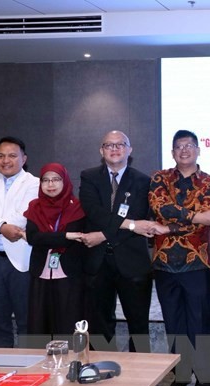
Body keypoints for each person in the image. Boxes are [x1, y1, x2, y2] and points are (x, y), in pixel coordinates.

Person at [149, 130, 210, 386]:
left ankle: (204, 373)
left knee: (200, 319)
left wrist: (168, 227)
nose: (184, 150)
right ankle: (181, 372)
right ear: (172, 152)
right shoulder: (159, 178)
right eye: (179, 147)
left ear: (198, 150)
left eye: (189, 146)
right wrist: (193, 217)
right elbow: (161, 209)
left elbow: (207, 218)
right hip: (163, 264)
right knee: (174, 320)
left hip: (197, 261)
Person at [79, 130, 158, 352]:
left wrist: (102, 235)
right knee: (100, 324)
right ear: (101, 151)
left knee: (139, 324)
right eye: (109, 145)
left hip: (132, 262)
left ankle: (142, 380)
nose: (114, 149)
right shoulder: (89, 177)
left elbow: (140, 216)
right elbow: (95, 213)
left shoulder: (143, 181)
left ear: (129, 150)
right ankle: (102, 374)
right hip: (97, 262)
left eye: (120, 144)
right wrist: (131, 224)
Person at [24, 163, 86, 340]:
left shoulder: (77, 207)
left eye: (56, 179)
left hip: (69, 275)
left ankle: (71, 366)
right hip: (40, 274)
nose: (50, 184)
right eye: (46, 180)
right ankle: (38, 367)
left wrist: (51, 237)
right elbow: (33, 238)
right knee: (38, 327)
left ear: (65, 181)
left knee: (68, 325)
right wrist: (66, 235)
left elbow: (77, 238)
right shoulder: (34, 207)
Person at [0, 137, 39, 347]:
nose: (5, 160)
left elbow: (22, 217)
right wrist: (1, 226)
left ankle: (30, 374)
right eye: (0, 156)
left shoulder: (35, 183)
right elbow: (6, 224)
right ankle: (1, 375)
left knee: (27, 320)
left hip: (22, 260)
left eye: (12, 155)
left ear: (24, 159)